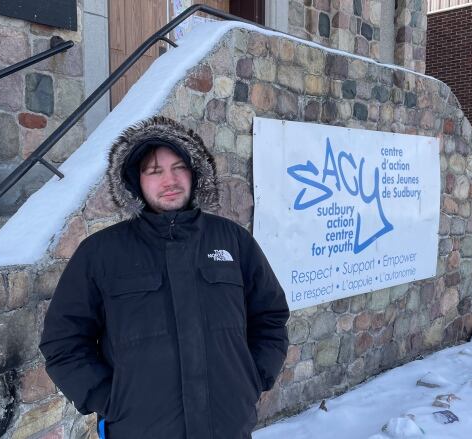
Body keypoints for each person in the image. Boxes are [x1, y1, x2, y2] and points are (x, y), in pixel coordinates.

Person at [39, 116, 290, 439]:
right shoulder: (101, 253)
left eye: (178, 168)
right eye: (154, 171)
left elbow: (270, 316)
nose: (169, 180)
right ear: (135, 181)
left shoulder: (233, 241)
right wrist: (110, 399)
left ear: (195, 173)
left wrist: (252, 379)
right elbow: (63, 342)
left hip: (227, 426)